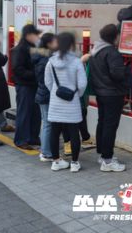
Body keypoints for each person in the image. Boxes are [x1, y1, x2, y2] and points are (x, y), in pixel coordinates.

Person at [89, 24, 132, 172]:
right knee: (110, 126)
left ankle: (102, 154)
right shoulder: (112, 52)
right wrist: (127, 70)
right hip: (113, 93)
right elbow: (117, 74)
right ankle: (107, 160)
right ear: (114, 36)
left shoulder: (96, 50)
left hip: (101, 92)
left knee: (102, 122)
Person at [44, 32, 87, 172]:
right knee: (74, 132)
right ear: (71, 44)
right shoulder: (77, 62)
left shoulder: (51, 62)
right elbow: (82, 84)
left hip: (56, 102)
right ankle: (74, 163)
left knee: (54, 132)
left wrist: (56, 93)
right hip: (72, 102)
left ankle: (56, 161)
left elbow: (48, 82)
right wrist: (75, 95)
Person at [11, 24, 42, 150]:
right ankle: (21, 140)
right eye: (35, 34)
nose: (37, 37)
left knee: (35, 113)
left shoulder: (33, 47)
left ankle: (33, 137)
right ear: (28, 35)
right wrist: (35, 74)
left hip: (34, 85)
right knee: (24, 113)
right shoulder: (20, 49)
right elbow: (17, 69)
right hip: (24, 85)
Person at [33, 33, 58, 162]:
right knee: (48, 124)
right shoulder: (46, 59)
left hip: (42, 93)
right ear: (49, 44)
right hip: (46, 94)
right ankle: (46, 153)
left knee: (46, 123)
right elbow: (47, 80)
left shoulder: (40, 56)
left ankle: (45, 150)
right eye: (55, 41)